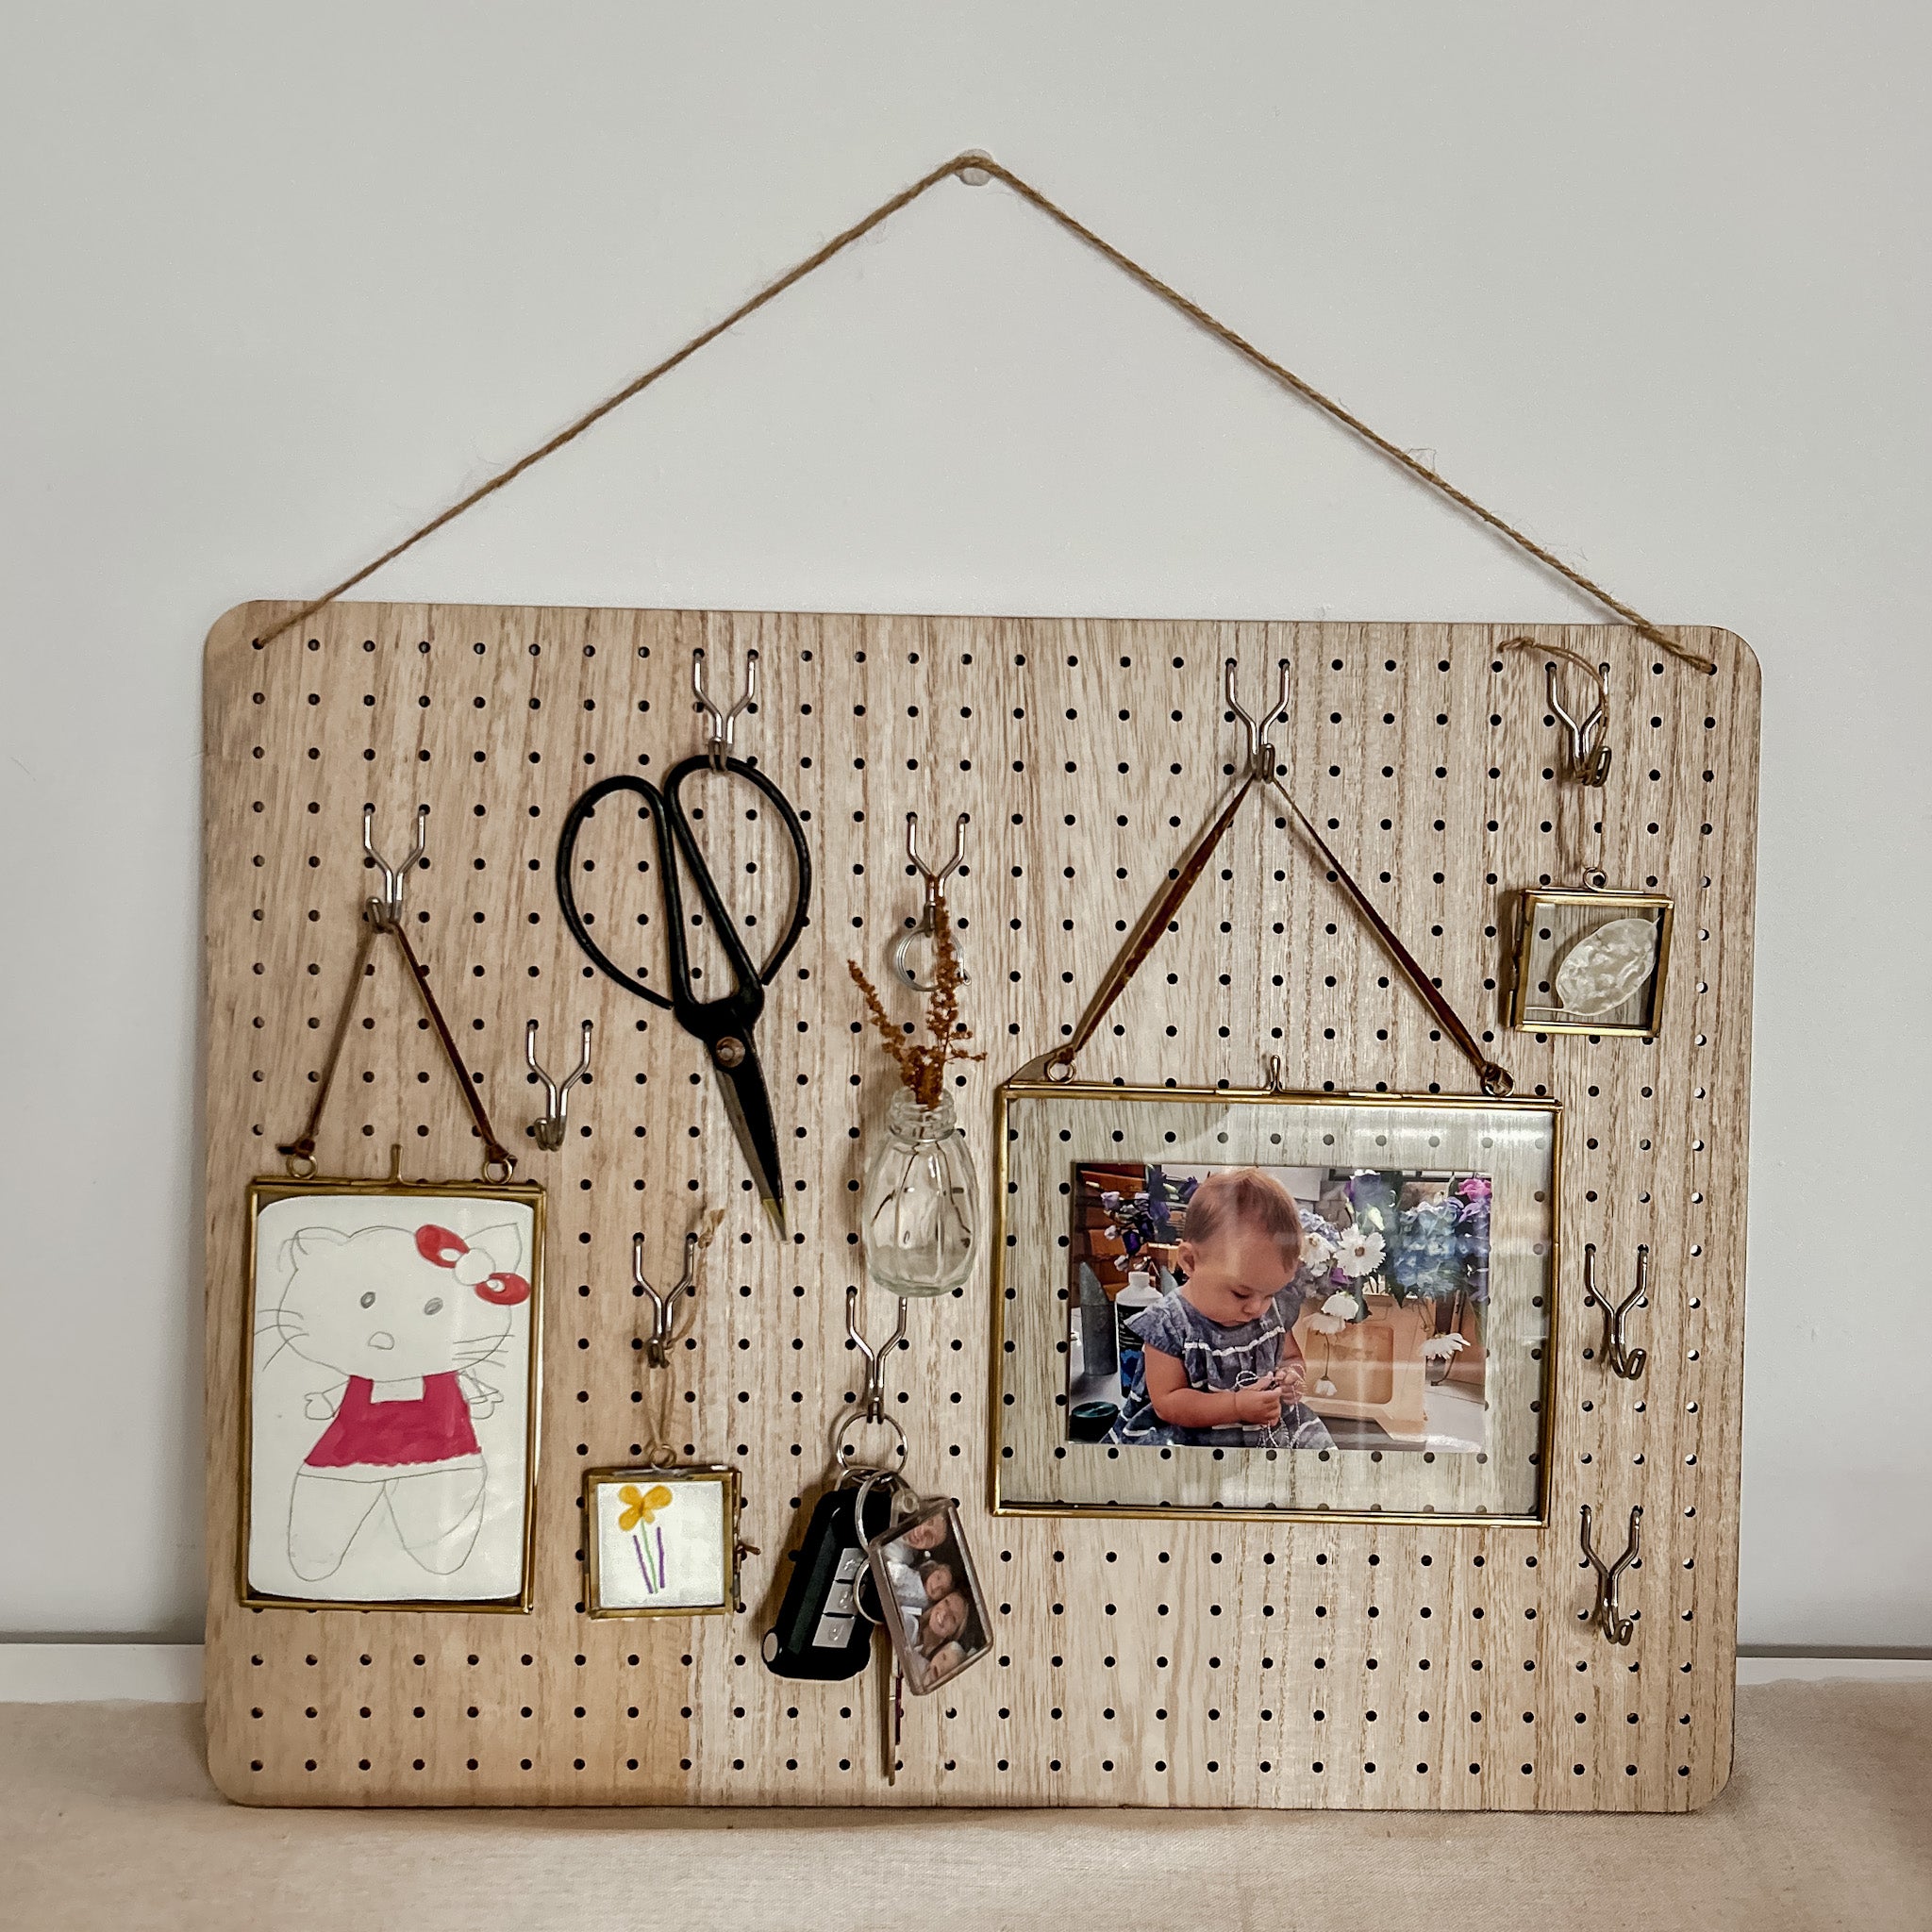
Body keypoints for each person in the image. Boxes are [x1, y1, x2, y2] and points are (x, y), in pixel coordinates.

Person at [1108, 1167, 1335, 1450]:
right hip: (1190, 1435)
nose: (1256, 1307)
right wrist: (1236, 1406)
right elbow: (1168, 1403)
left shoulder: (1269, 1309)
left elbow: (1290, 1357)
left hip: (1266, 1427)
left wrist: (1291, 1376)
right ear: (1190, 1262)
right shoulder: (1169, 1322)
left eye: (1270, 1294)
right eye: (1241, 1293)